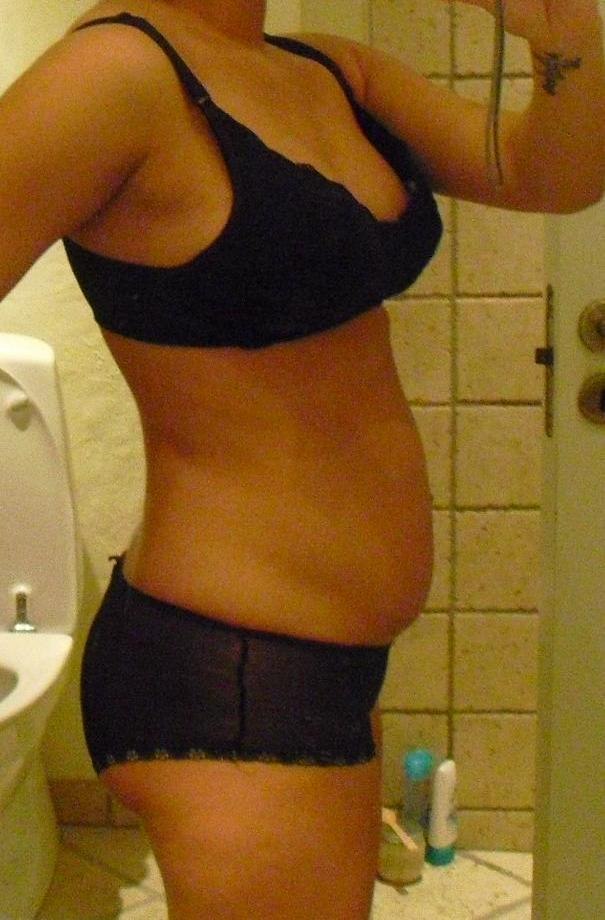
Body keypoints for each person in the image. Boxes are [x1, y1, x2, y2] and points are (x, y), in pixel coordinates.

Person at [1, 1, 603, 917]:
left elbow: (544, 175)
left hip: (323, 657)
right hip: (232, 670)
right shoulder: (115, 74)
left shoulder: (326, 70)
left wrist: (563, 32)